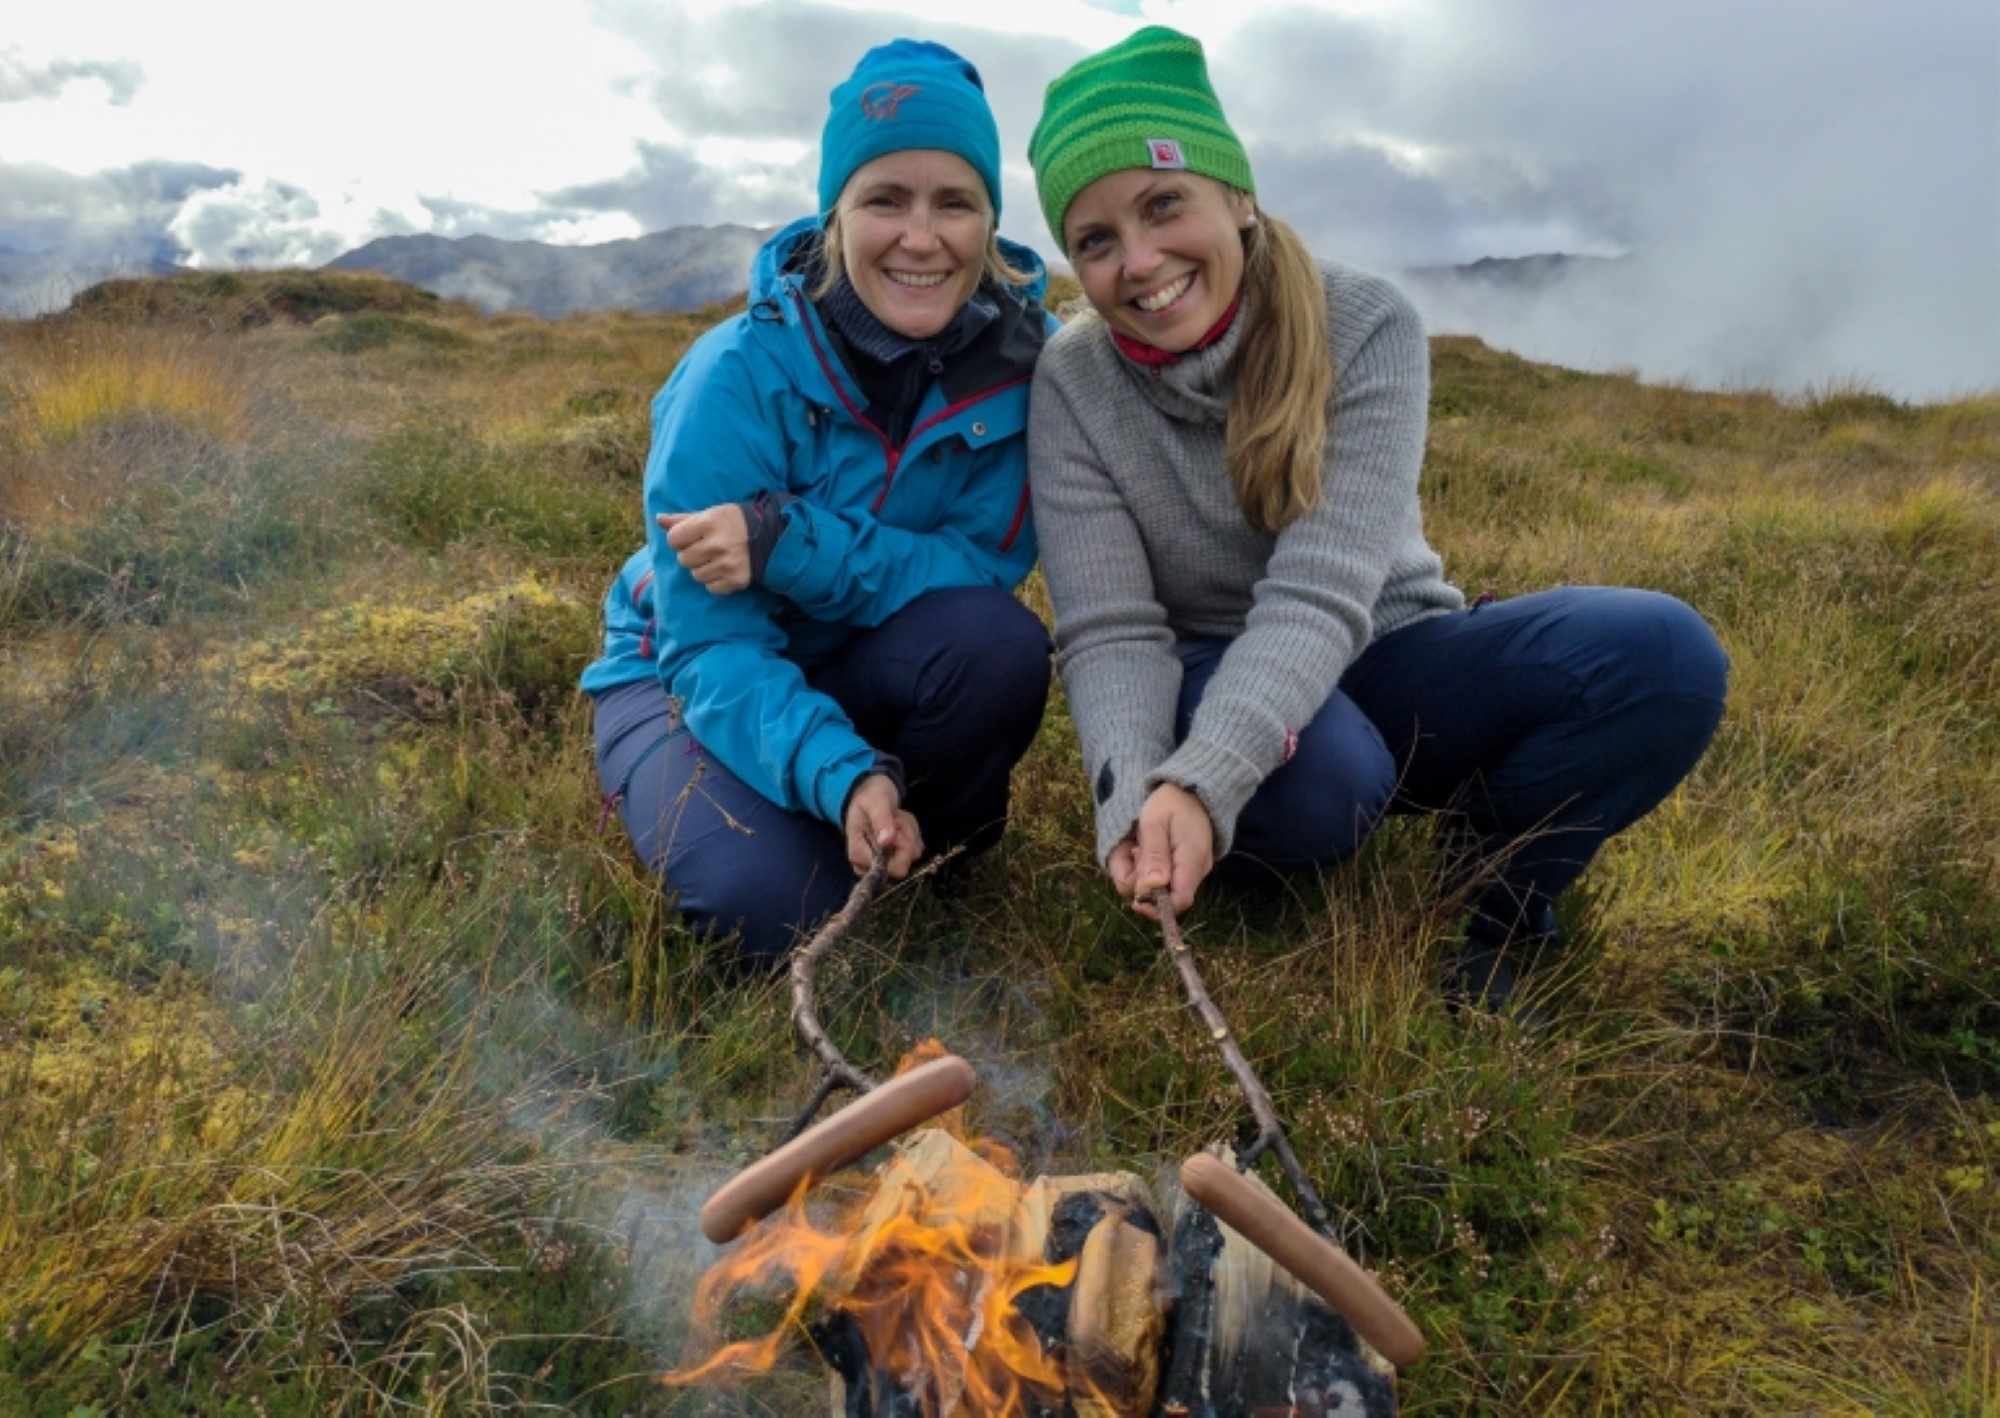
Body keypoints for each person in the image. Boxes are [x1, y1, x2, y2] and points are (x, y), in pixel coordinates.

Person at [1025, 27, 1729, 1007]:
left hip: (1382, 642)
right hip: (1207, 664)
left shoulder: (1363, 322)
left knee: (1662, 657)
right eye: (1094, 240)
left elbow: (1320, 591)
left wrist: (1210, 775)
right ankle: (1276, 817)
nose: (1138, 262)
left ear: (1236, 196)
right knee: (1323, 784)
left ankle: (1483, 899)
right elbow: (1110, 628)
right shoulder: (1071, 377)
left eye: (1161, 205)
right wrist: (1138, 802)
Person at [581, 39, 1055, 968]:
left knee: (996, 642)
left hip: (864, 664)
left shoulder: (1023, 378)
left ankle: (927, 854)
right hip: (684, 677)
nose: (921, 239)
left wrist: (786, 542)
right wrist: (843, 776)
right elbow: (713, 645)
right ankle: (842, 831)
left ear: (989, 224)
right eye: (885, 199)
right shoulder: (734, 375)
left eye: (954, 202)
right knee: (766, 910)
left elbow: (982, 572)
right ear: (835, 212)